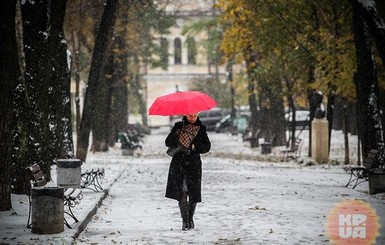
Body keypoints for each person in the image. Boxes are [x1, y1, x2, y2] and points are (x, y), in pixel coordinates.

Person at [165, 113, 211, 230]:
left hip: (193, 164)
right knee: (182, 192)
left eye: (194, 115)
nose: (192, 118)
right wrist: (176, 135)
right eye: (190, 115)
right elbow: (168, 143)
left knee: (193, 194)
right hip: (178, 163)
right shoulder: (178, 126)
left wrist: (195, 146)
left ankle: (190, 218)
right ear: (185, 114)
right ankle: (185, 221)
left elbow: (207, 147)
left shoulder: (201, 128)